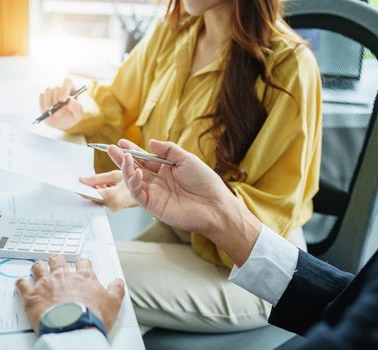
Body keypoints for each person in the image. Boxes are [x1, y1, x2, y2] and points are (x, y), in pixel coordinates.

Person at [37, 0, 322, 332]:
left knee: (79, 284)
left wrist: (141, 191)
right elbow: (120, 104)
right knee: (69, 280)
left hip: (253, 267)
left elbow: (265, 218)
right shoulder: (173, 33)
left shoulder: (290, 67)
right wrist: (82, 111)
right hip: (183, 234)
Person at [20, 140, 378, 350]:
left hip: (227, 275)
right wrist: (222, 217)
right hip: (216, 245)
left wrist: (72, 330)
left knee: (91, 278)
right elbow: (351, 304)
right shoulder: (178, 38)